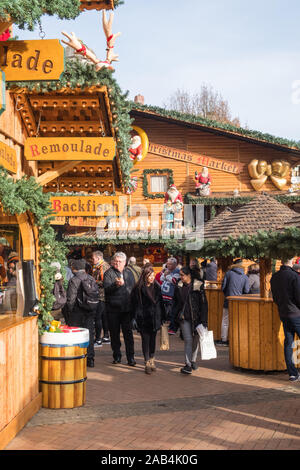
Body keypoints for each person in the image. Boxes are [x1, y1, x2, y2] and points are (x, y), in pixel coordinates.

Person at [172, 267, 208, 374]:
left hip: (197, 318)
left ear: (189, 276)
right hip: (184, 318)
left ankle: (193, 360)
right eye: (180, 275)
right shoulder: (178, 286)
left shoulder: (198, 285)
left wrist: (204, 320)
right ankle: (187, 364)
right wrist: (173, 317)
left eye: (182, 275)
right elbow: (175, 303)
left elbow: (204, 305)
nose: (180, 277)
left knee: (196, 339)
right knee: (188, 340)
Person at [131, 265, 166, 374]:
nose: (152, 277)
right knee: (145, 340)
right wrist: (134, 318)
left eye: (153, 275)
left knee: (152, 340)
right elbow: (134, 305)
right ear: (144, 276)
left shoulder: (157, 287)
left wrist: (163, 317)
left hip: (155, 318)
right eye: (149, 275)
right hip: (143, 318)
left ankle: (152, 360)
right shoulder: (138, 288)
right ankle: (147, 362)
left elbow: (161, 303)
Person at [66, 258, 100, 368]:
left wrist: (70, 311)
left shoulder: (73, 280)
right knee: (89, 334)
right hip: (90, 310)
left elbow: (71, 298)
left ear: (74, 268)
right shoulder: (90, 278)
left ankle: (77, 357)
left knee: (76, 334)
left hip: (77, 311)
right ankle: (90, 359)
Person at [104, 252, 136, 366]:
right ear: (112, 262)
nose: (117, 263)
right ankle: (117, 356)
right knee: (114, 334)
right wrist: (116, 285)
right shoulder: (108, 273)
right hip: (113, 309)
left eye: (120, 262)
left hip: (127, 309)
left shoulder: (129, 272)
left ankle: (130, 357)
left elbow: (133, 288)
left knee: (128, 335)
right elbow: (106, 289)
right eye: (115, 261)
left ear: (125, 262)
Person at [271, 258, 300, 381]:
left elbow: (275, 297)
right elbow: (299, 297)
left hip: (283, 313)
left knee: (288, 343)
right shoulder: (294, 276)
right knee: (288, 342)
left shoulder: (275, 277)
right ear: (292, 261)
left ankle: (292, 373)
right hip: (296, 314)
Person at [219, 259, 250, 346]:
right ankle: (237, 340)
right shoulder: (245, 276)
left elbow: (223, 287)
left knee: (225, 320)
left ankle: (224, 339)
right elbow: (246, 290)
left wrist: (227, 295)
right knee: (238, 321)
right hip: (240, 302)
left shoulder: (228, 273)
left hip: (228, 300)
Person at [92, 250, 110, 347]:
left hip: (101, 295)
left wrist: (93, 281)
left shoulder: (103, 267)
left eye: (93, 258)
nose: (92, 260)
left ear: (98, 258)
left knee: (98, 317)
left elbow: (104, 282)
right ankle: (106, 336)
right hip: (101, 295)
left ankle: (98, 339)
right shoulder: (99, 266)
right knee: (103, 317)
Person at [159, 257, 180, 335]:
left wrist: (167, 276)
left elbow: (174, 281)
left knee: (172, 312)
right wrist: (165, 275)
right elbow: (161, 279)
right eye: (168, 264)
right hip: (163, 294)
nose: (168, 265)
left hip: (172, 295)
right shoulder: (166, 270)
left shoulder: (177, 271)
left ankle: (172, 328)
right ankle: (163, 326)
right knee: (164, 312)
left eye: (171, 264)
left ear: (175, 264)